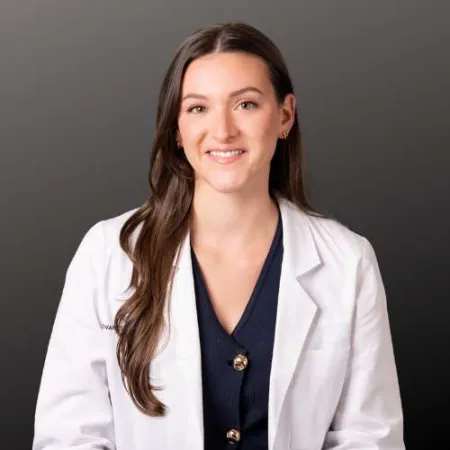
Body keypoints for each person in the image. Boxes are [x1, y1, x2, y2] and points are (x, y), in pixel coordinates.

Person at [33, 22, 405, 450]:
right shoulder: (108, 255)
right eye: (197, 108)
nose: (223, 130)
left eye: (246, 104)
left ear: (284, 116)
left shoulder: (348, 262)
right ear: (177, 128)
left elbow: (369, 438)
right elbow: (70, 437)